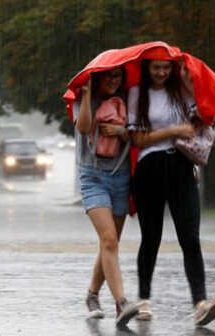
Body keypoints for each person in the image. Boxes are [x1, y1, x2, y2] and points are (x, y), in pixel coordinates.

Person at [127, 59, 215, 326]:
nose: (161, 72)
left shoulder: (181, 91)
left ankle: (200, 304)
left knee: (190, 235)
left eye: (166, 68)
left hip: (181, 165)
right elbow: (137, 140)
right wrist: (173, 130)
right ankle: (144, 299)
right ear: (147, 68)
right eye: (156, 67)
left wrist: (191, 81)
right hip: (149, 168)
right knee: (151, 237)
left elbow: (204, 117)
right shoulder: (137, 93)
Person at [74, 67, 139, 325]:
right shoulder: (84, 97)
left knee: (109, 243)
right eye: (108, 76)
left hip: (121, 177)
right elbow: (83, 128)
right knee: (109, 239)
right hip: (93, 177)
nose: (114, 81)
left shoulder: (129, 99)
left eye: (118, 77)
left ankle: (92, 294)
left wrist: (121, 132)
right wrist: (88, 95)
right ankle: (122, 303)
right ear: (97, 77)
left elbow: (139, 135)